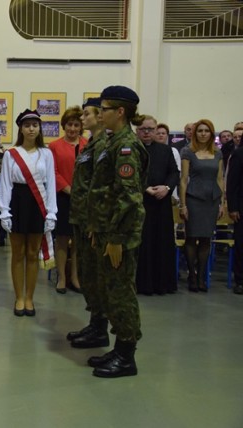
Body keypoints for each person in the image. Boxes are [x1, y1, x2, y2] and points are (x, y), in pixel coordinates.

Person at [86, 86, 148, 378]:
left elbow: (128, 197)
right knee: (111, 291)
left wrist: (116, 238)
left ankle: (126, 357)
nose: (100, 114)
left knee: (121, 292)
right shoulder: (113, 143)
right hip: (107, 231)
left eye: (104, 109)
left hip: (119, 237)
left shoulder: (126, 147)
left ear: (120, 112)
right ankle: (118, 347)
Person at [0, 109, 57, 317]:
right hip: (17, 202)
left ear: (40, 128)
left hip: (38, 203)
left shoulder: (47, 154)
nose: (31, 128)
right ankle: (19, 297)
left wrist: (51, 213)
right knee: (17, 254)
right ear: (20, 129)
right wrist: (4, 211)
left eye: (35, 125)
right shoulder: (10, 154)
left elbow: (50, 184)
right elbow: (5, 183)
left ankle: (30, 298)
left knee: (32, 253)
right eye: (27, 125)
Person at [66, 97, 110, 349]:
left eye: (86, 114)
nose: (82, 119)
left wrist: (96, 223)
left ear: (100, 117)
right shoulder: (90, 144)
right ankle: (95, 324)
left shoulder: (105, 144)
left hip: (93, 222)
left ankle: (100, 329)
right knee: (88, 275)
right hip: (82, 219)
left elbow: (102, 187)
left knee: (96, 276)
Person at [179, 119, 225, 292]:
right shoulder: (187, 151)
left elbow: (220, 178)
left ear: (211, 133)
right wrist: (183, 205)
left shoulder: (218, 153)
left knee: (206, 239)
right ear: (195, 133)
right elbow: (183, 180)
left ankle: (201, 277)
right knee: (191, 238)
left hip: (212, 200)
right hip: (193, 199)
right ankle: (191, 275)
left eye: (207, 131)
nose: (203, 133)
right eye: (200, 131)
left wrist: (221, 203)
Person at [135, 115, 179, 295]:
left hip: (161, 204)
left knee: (162, 243)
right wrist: (145, 188)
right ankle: (143, 284)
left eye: (150, 129)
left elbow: (174, 173)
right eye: (143, 129)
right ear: (136, 131)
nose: (147, 133)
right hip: (141, 203)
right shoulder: (131, 150)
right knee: (143, 244)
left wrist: (167, 187)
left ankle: (163, 284)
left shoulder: (165, 150)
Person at [48, 105, 86, 294]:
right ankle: (61, 276)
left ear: (81, 127)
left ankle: (75, 277)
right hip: (63, 197)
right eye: (69, 124)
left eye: (76, 125)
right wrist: (68, 189)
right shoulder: (54, 146)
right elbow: (52, 172)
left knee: (79, 239)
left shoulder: (88, 144)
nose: (72, 128)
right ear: (64, 126)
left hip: (84, 198)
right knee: (62, 238)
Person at [226, 145, 243, 295]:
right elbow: (232, 183)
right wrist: (233, 208)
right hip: (241, 209)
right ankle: (240, 281)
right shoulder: (239, 154)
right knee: (241, 247)